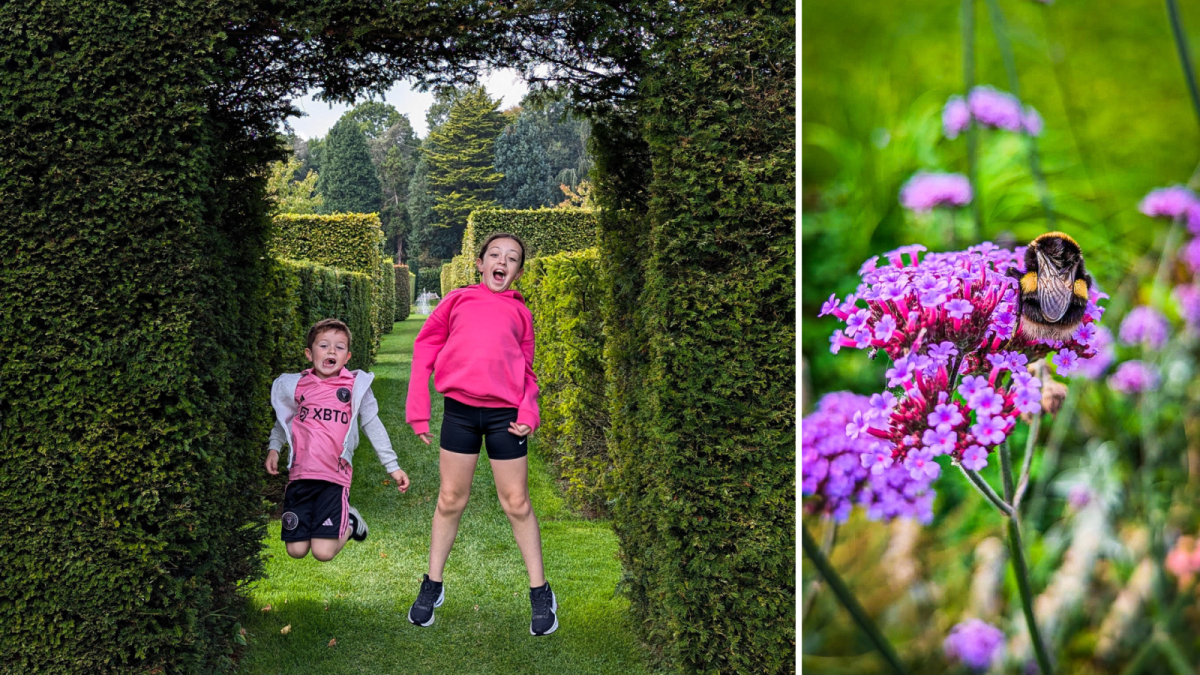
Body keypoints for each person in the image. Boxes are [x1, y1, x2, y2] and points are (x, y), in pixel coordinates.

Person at [405, 232, 558, 636]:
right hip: (459, 414)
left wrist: (529, 411)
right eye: (494, 254)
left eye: (511, 259)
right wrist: (419, 412)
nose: (501, 262)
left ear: (518, 272)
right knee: (450, 499)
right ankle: (432, 586)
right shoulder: (457, 301)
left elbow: (527, 372)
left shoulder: (521, 315)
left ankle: (540, 592)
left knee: (517, 503)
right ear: (479, 262)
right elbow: (425, 349)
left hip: (504, 417)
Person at [265, 318, 410, 562]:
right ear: (309, 354)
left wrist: (392, 466)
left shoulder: (354, 387)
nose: (332, 350)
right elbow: (285, 420)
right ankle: (330, 522)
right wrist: (274, 447)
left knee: (323, 553)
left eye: (339, 347)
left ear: (347, 357)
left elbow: (372, 424)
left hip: (334, 477)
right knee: (296, 550)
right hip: (300, 477)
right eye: (324, 345)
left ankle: (351, 521)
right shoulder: (297, 386)